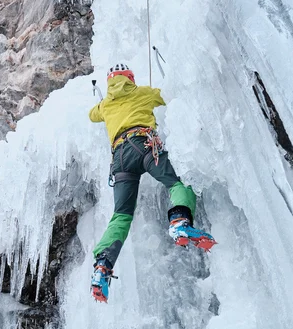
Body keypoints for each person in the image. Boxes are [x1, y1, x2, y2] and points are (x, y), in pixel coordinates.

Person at [88, 64, 215, 302]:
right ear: (130, 78)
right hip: (144, 145)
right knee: (178, 183)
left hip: (120, 159)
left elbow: (92, 115)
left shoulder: (105, 106)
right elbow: (168, 94)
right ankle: (179, 220)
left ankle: (102, 266)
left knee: (121, 216)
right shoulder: (141, 92)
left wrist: (104, 104)